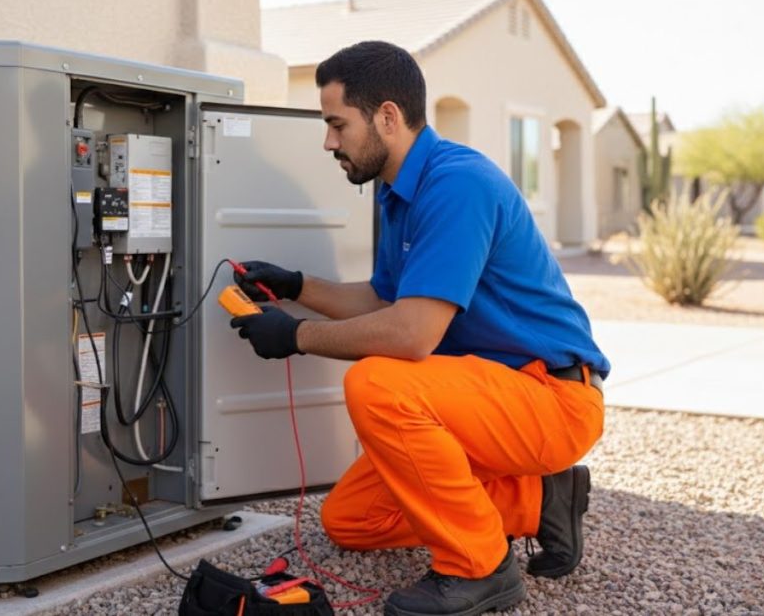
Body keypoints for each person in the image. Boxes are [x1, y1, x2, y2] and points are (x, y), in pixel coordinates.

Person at [228, 40, 608, 616]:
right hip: (481, 398)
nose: (329, 142)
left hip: (550, 397)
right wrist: (297, 286)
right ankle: (537, 499)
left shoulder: (458, 185)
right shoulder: (397, 189)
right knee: (350, 519)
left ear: (386, 116)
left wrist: (296, 337)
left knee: (377, 383)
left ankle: (479, 566)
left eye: (336, 124)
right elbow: (385, 298)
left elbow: (411, 334)